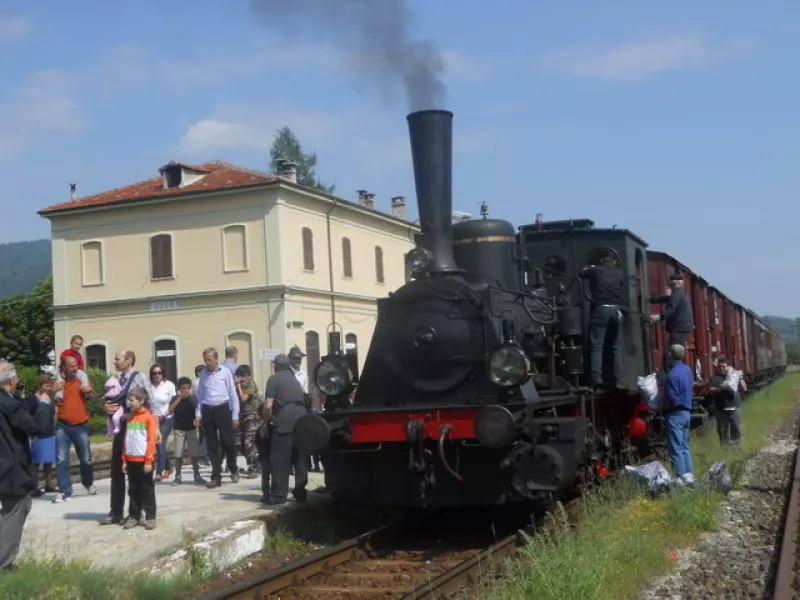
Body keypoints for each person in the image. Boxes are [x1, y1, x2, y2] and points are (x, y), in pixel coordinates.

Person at [0, 360, 52, 570]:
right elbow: (35, 426)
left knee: (22, 505)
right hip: (10, 465)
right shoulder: (8, 403)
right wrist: (44, 405)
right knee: (16, 508)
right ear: (12, 382)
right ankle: (4, 563)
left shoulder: (10, 401)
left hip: (6, 464)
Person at [99, 349, 154, 526]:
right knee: (116, 470)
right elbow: (109, 401)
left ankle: (136, 513)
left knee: (137, 473)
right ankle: (116, 512)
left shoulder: (139, 377)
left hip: (137, 429)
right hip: (120, 429)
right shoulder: (115, 381)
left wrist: (155, 428)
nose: (114, 362)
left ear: (129, 360)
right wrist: (106, 408)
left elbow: (151, 402)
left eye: (117, 359)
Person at [263, 354, 308, 505]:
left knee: (280, 459)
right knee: (300, 458)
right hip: (302, 420)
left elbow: (268, 406)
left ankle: (279, 495)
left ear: (275, 366)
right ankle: (301, 492)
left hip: (284, 422)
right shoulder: (294, 379)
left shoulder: (273, 379)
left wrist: (264, 422)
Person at [52, 356, 97, 503]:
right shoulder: (59, 383)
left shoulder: (81, 380)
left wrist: (89, 391)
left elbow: (94, 398)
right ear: (64, 367)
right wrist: (53, 392)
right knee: (61, 459)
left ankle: (88, 483)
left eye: (76, 365)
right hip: (62, 426)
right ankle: (65, 491)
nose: (74, 368)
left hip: (80, 425)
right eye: (71, 366)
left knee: (86, 458)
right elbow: (52, 403)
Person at [194, 347, 240, 488]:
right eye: (205, 360)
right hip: (208, 409)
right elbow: (200, 396)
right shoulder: (203, 375)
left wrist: (235, 415)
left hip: (222, 408)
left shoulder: (225, 372)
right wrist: (198, 414)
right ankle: (216, 476)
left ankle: (232, 467)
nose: (207, 362)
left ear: (216, 359)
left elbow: (232, 394)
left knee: (228, 442)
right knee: (211, 445)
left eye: (209, 359)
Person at [578, 253, 625, 388]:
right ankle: (619, 379)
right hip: (616, 310)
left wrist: (592, 267)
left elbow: (581, 273)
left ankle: (596, 377)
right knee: (616, 346)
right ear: (614, 262)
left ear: (601, 260)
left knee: (596, 346)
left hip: (601, 309)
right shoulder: (619, 273)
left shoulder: (596, 270)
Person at [121, 387, 158, 530]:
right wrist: (124, 459)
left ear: (141, 401)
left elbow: (150, 441)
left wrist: (148, 460)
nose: (130, 403)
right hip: (131, 460)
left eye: (132, 400)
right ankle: (134, 515)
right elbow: (127, 440)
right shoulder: (130, 418)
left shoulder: (148, 418)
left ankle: (150, 516)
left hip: (143, 461)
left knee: (147, 489)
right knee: (133, 489)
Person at [663, 344, 695, 484]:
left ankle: (680, 479)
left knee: (676, 448)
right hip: (686, 413)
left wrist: (661, 405)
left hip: (675, 414)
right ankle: (689, 477)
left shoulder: (672, 375)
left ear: (670, 355)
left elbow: (674, 400)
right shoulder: (687, 370)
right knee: (684, 447)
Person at [167, 377, 205, 486]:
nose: (186, 391)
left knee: (194, 453)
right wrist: (180, 398)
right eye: (183, 389)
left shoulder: (193, 398)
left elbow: (198, 410)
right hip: (179, 429)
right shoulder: (175, 398)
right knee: (178, 454)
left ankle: (197, 474)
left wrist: (197, 419)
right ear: (179, 389)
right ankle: (178, 476)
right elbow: (170, 409)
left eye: (188, 388)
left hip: (191, 428)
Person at [27, 374, 57, 497]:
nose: (48, 388)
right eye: (46, 385)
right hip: (38, 435)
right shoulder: (33, 398)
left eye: (49, 386)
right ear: (40, 386)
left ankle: (49, 484)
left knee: (48, 461)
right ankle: (34, 486)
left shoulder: (50, 398)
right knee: (36, 462)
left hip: (49, 432)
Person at [708, 356, 747, 448]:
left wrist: (741, 378)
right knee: (722, 432)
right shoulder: (714, 377)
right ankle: (725, 450)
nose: (722, 368)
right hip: (721, 409)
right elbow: (710, 390)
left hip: (735, 408)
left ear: (728, 366)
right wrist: (721, 388)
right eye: (720, 367)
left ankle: (737, 450)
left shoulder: (734, 375)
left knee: (736, 431)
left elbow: (744, 388)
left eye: (723, 366)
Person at [650, 272, 694, 350]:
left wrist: (657, 318)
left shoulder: (676, 294)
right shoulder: (680, 293)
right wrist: (652, 299)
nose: (669, 284)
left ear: (674, 283)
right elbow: (668, 299)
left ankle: (676, 362)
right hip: (683, 327)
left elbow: (670, 310)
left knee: (675, 350)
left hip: (678, 328)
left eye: (670, 282)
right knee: (675, 350)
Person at [149, 364, 176, 482]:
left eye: (159, 373)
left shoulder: (169, 386)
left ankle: (159, 472)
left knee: (160, 442)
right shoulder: (148, 386)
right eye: (154, 373)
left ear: (163, 373)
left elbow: (173, 403)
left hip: (167, 418)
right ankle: (168, 466)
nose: (157, 376)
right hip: (153, 419)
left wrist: (163, 415)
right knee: (158, 444)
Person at [235, 365, 262, 478]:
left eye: (239, 376)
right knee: (241, 444)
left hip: (252, 416)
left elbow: (244, 398)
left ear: (244, 376)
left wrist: (238, 386)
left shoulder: (250, 383)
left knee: (249, 443)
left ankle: (254, 468)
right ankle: (255, 464)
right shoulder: (242, 384)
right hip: (243, 416)